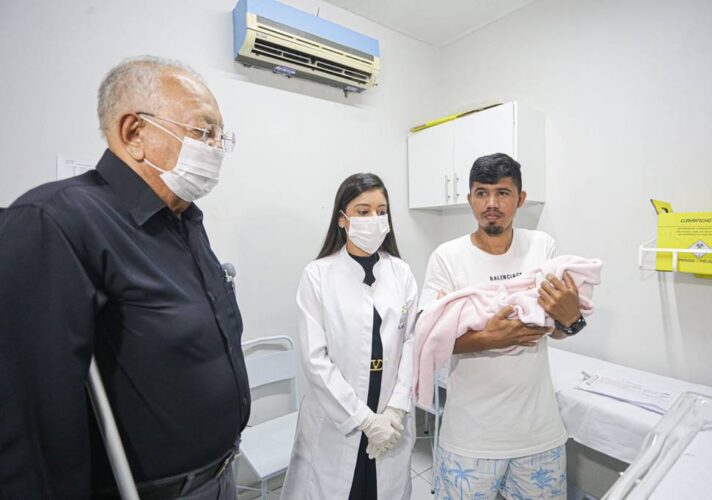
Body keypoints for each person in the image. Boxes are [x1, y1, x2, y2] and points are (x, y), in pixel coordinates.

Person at [0, 56, 248, 499]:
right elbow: (32, 419)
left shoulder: (184, 222)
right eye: (202, 131)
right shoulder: (58, 220)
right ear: (134, 133)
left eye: (219, 137)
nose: (215, 149)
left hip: (220, 475)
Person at [419, 153, 588, 500]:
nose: (491, 204)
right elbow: (428, 336)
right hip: (470, 437)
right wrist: (488, 339)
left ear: (520, 199)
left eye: (503, 193)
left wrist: (573, 320)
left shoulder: (542, 247)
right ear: (469, 199)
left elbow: (555, 328)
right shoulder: (447, 257)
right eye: (481, 193)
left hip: (538, 433)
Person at [281, 173, 417, 500]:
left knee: (382, 490)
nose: (374, 219)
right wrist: (366, 421)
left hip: (390, 419)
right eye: (363, 211)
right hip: (339, 419)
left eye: (381, 211)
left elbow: (412, 343)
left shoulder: (401, 273)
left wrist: (394, 412)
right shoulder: (318, 275)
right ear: (343, 219)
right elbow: (316, 362)